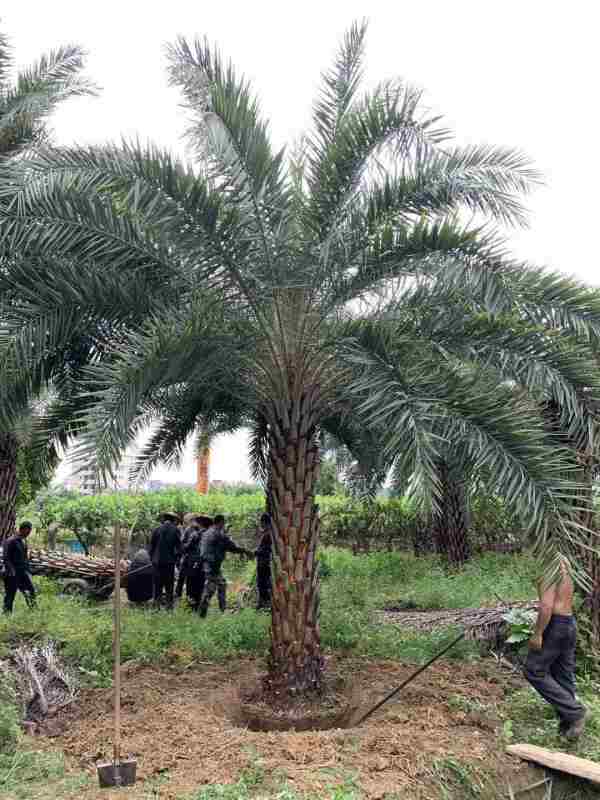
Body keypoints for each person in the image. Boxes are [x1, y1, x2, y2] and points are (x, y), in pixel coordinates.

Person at [524, 558, 587, 740]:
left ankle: (575, 712)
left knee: (533, 670)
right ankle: (569, 730)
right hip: (569, 622)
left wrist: (538, 634)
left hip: (556, 625)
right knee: (562, 675)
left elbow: (546, 606)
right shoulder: (563, 561)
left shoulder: (548, 565)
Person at [198, 515, 251, 618]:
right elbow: (231, 546)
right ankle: (207, 613)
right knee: (210, 590)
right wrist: (244, 551)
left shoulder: (207, 532)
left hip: (208, 564)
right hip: (212, 566)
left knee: (221, 585)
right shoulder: (218, 534)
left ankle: (219, 610)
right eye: (223, 523)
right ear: (221, 522)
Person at [3, 521, 37, 614]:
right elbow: (6, 557)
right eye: (28, 531)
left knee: (31, 591)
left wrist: (28, 570)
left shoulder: (24, 540)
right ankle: (7, 614)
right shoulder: (11, 541)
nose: (29, 533)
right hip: (11, 573)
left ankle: (34, 611)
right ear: (22, 529)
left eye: (30, 531)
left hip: (22, 572)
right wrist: (12, 571)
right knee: (10, 595)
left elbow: (24, 558)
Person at [149, 512, 181, 608]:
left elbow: (151, 547)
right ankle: (169, 606)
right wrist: (175, 559)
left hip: (157, 562)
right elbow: (179, 548)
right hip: (169, 563)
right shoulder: (175, 530)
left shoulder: (157, 529)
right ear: (172, 520)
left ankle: (156, 606)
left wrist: (152, 559)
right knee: (169, 585)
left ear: (164, 519)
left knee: (157, 585)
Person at [185, 516, 212, 610]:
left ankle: (191, 605)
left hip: (194, 563)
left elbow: (187, 547)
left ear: (200, 524)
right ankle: (198, 605)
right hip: (206, 565)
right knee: (201, 585)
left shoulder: (195, 534)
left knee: (191, 585)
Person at [176, 517, 199, 599]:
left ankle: (189, 597)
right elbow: (183, 542)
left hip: (195, 558)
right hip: (187, 556)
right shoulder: (188, 530)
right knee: (181, 576)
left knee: (190, 579)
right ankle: (178, 594)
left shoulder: (201, 531)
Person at [255, 513, 273, 611]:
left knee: (263, 583)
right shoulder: (267, 533)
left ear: (265, 522)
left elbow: (266, 550)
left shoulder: (268, 534)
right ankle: (263, 602)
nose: (260, 524)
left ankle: (265, 603)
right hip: (264, 562)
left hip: (264, 563)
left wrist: (256, 552)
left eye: (261, 522)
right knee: (262, 583)